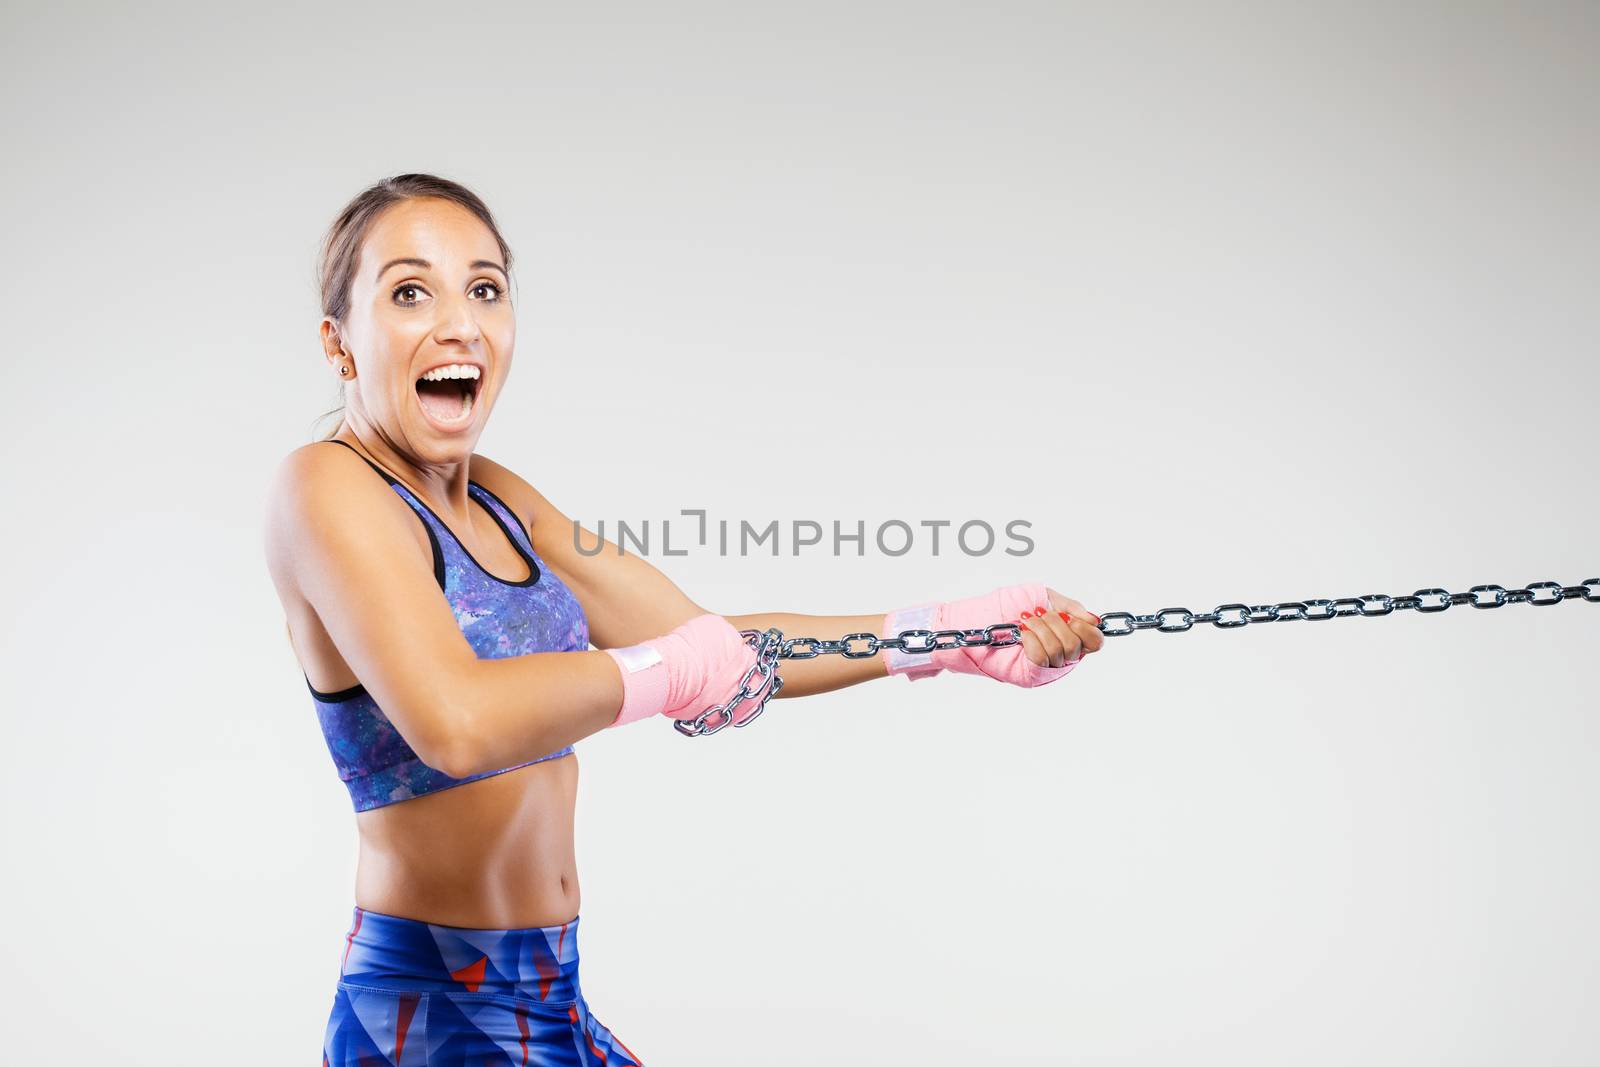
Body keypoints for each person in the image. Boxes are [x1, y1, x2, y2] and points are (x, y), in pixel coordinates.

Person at [262, 172, 1106, 1066]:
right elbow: (457, 722)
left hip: (549, 990)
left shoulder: (500, 499)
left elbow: (712, 643)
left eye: (484, 288)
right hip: (432, 1012)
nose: (459, 322)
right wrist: (668, 672)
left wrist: (947, 634)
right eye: (407, 292)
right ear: (339, 343)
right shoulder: (325, 487)